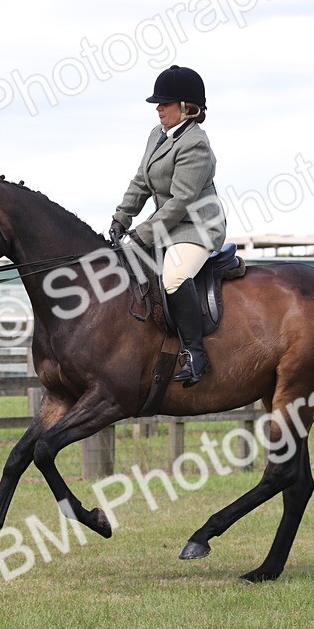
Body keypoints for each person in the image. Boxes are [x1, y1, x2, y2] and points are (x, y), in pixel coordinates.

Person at [110, 65, 227, 388]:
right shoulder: (157, 136)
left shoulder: (196, 145)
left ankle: (195, 354)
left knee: (174, 276)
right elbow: (141, 181)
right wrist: (122, 217)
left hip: (196, 228)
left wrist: (141, 234)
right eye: (157, 104)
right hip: (168, 227)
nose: (158, 109)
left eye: (165, 103)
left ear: (188, 108)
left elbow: (180, 202)